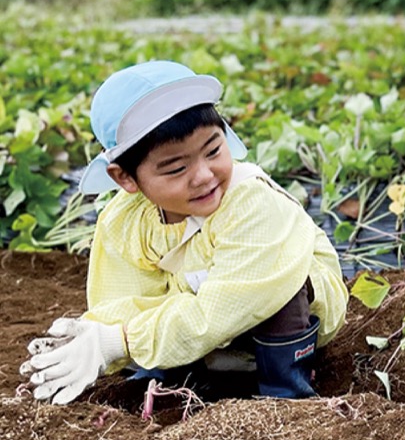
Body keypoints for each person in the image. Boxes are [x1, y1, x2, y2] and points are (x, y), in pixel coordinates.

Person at [19, 60, 348, 404]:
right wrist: (97, 338)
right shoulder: (124, 220)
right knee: (156, 328)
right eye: (176, 168)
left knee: (281, 286)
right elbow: (120, 303)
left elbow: (227, 307)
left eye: (213, 150)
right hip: (203, 319)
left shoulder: (251, 202)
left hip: (274, 309)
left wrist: (122, 341)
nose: (204, 176)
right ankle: (178, 376)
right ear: (125, 177)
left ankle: (286, 394)